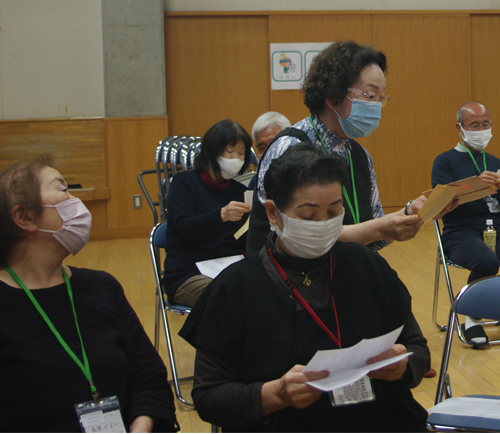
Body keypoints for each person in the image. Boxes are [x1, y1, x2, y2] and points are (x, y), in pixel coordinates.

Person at [179, 143, 430, 432]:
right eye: (309, 216)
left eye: (334, 211)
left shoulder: (368, 266)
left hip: (382, 420)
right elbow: (209, 397)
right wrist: (275, 394)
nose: (323, 224)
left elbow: (418, 350)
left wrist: (403, 367)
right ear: (273, 213)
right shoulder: (236, 287)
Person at [0, 156, 177, 432]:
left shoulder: (101, 287)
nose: (76, 201)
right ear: (25, 217)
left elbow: (149, 377)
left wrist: (140, 427)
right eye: (63, 189)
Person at [247, 40, 450, 256]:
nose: (376, 106)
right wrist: (381, 228)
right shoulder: (290, 147)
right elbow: (304, 238)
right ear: (332, 96)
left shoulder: (360, 155)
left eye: (381, 98)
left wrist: (410, 213)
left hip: (345, 269)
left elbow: (373, 237)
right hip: (286, 273)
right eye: (369, 96)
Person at [431, 101, 500, 346]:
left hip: (496, 227)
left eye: (485, 124)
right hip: (460, 230)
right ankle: (472, 318)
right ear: (460, 128)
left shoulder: (496, 162)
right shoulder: (445, 161)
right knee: (486, 262)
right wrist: (476, 185)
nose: (481, 130)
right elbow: (439, 204)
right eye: (474, 125)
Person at [164, 119, 253, 307]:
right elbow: (183, 227)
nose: (236, 159)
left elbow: (242, 239)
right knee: (231, 299)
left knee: (266, 292)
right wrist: (221, 215)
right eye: (230, 152)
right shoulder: (184, 183)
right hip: (189, 272)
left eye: (241, 153)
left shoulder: (239, 191)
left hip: (230, 269)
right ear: (212, 151)